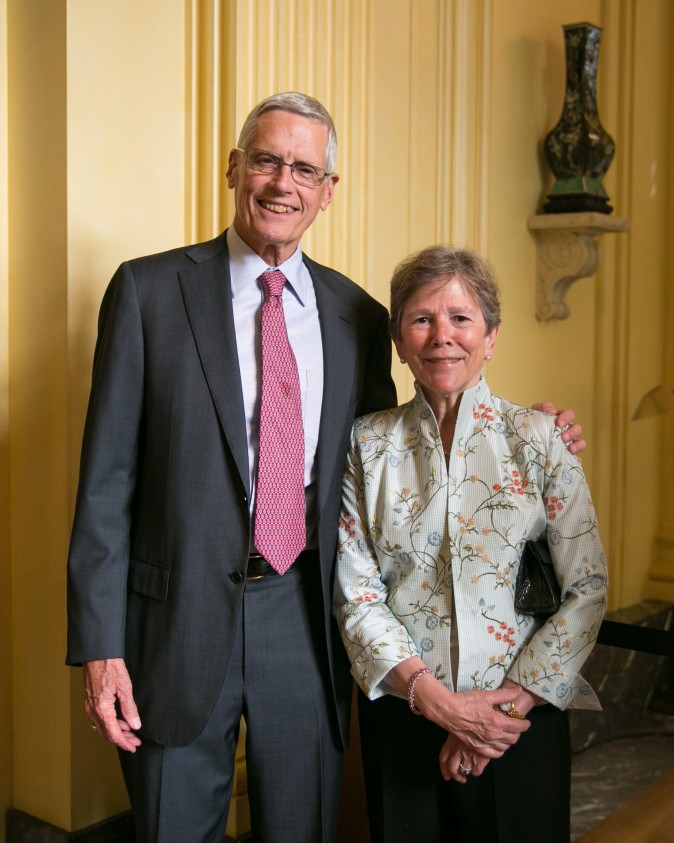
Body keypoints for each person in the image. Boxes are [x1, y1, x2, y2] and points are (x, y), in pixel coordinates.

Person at [67, 92, 584, 843]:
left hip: (303, 619)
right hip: (171, 623)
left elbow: (402, 448)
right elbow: (107, 482)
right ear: (234, 167)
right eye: (268, 161)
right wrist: (100, 645)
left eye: (305, 168)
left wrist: (529, 434)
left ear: (327, 191)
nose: (284, 182)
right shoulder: (149, 293)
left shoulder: (359, 317)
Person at [334, 245, 607, 843]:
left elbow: (586, 587)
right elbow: (357, 594)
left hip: (523, 723)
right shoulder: (364, 447)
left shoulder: (542, 441)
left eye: (461, 318)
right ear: (400, 341)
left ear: (492, 336)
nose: (442, 337)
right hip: (406, 717)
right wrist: (442, 707)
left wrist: (501, 714)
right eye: (421, 319)